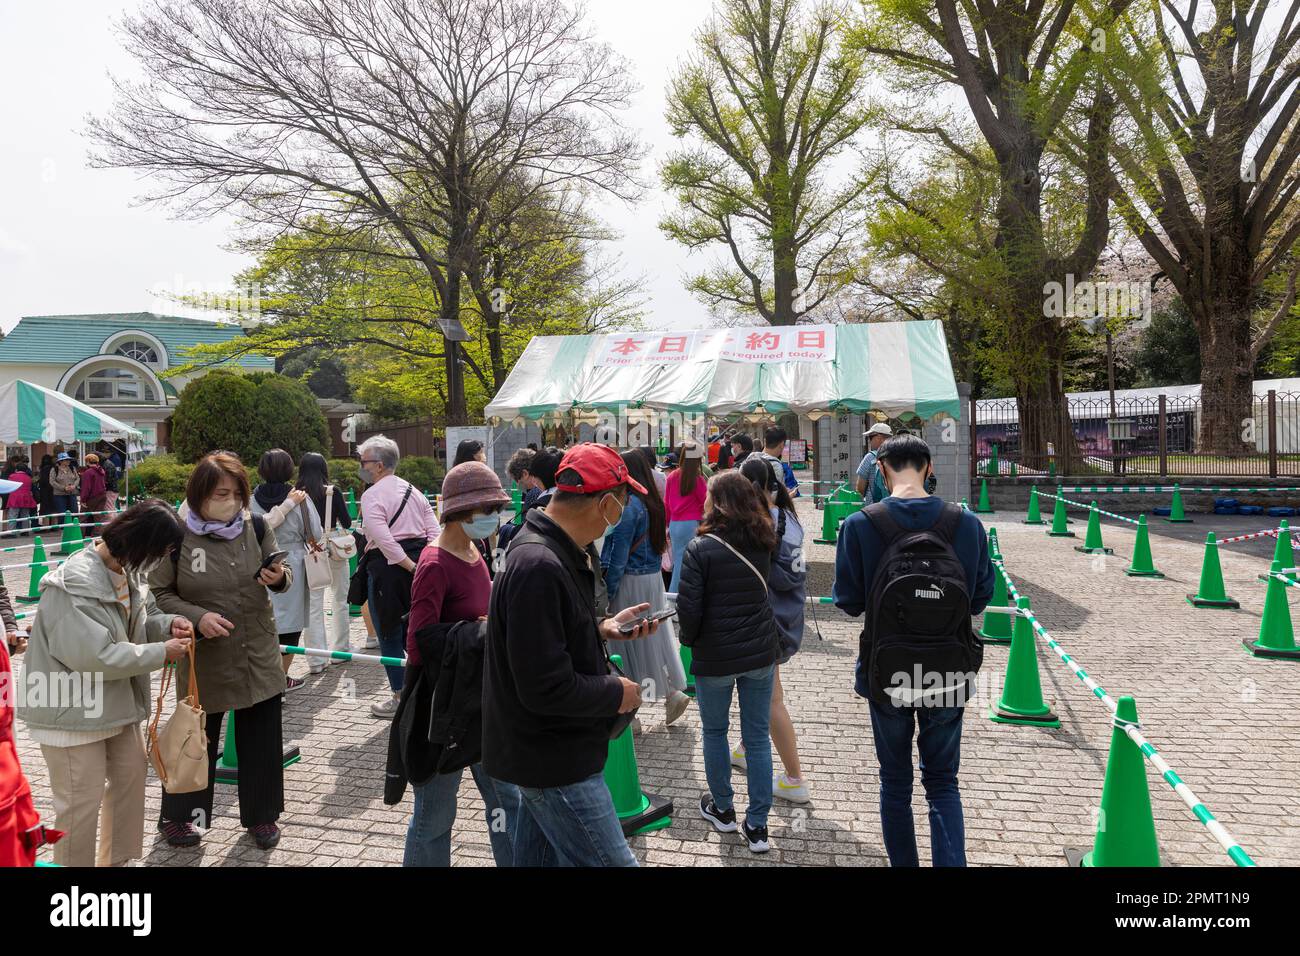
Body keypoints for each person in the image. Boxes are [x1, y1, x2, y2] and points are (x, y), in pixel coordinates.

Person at [482, 443, 661, 867]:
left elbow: (538, 636)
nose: (623, 514)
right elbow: (545, 687)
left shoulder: (551, 548)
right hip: (554, 757)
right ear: (605, 503)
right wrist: (617, 692)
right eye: (624, 502)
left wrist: (602, 626)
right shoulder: (539, 565)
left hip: (544, 752)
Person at [833, 433, 995, 867]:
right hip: (949, 669)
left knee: (895, 782)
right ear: (928, 468)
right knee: (943, 782)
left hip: (887, 670)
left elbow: (847, 603)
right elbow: (979, 599)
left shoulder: (860, 524)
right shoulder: (967, 523)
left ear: (882, 469)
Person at [17, 501, 195, 866]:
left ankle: (118, 861)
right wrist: (162, 651)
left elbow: (135, 625)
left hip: (115, 704)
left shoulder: (124, 571)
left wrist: (167, 625)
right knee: (81, 802)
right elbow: (96, 656)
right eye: (163, 551)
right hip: (69, 712)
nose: (164, 559)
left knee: (130, 779)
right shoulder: (73, 584)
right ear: (141, 544)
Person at [149, 451, 293, 850]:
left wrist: (279, 577)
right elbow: (159, 592)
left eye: (233, 493)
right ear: (198, 495)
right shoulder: (177, 537)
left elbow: (284, 572)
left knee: (261, 738)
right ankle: (178, 818)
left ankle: (262, 818)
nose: (226, 500)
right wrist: (197, 617)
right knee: (196, 737)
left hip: (257, 650)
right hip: (205, 657)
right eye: (217, 493)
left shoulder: (257, 526)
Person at [397, 461, 517, 866]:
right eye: (489, 511)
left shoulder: (475, 548)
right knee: (435, 817)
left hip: (483, 701)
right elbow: (420, 641)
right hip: (443, 710)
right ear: (461, 512)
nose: (494, 518)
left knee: (507, 803)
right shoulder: (433, 564)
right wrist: (478, 632)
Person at [676, 470, 781, 853]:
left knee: (715, 732)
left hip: (715, 656)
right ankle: (758, 826)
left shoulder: (700, 548)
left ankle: (722, 809)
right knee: (756, 737)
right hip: (759, 652)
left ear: (717, 501)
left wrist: (691, 643)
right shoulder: (764, 539)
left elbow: (689, 610)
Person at [736, 457, 810, 803]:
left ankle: (795, 778)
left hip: (765, 624)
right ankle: (745, 748)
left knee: (772, 701)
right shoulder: (790, 518)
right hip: (788, 618)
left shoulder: (758, 525)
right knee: (759, 695)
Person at [602, 450, 690, 727]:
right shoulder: (654, 503)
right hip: (652, 579)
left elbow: (619, 556)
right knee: (654, 638)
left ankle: (630, 712)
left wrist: (609, 590)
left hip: (630, 580)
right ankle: (672, 692)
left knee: (626, 643)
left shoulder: (628, 507)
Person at [356, 435, 441, 717]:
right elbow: (434, 530)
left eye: (363, 462)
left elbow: (382, 539)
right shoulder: (413, 491)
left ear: (378, 465)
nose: (361, 467)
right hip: (420, 563)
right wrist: (424, 565)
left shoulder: (371, 495)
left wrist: (409, 565)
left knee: (390, 634)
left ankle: (400, 698)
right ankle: (427, 692)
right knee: (418, 630)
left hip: (388, 572)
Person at [251, 449, 324, 687]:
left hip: (258, 561)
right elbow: (315, 533)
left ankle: (264, 676)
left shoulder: (251, 499)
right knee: (290, 624)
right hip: (291, 561)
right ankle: (280, 678)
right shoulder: (300, 498)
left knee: (262, 619)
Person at [295, 452, 354, 667]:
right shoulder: (332, 492)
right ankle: (341, 650)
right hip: (334, 550)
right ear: (324, 469)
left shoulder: (296, 495)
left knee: (314, 605)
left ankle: (316, 659)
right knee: (340, 599)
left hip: (310, 552)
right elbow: (347, 522)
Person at [664, 440, 707, 594]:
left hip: (675, 524)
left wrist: (668, 525)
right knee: (689, 563)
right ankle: (674, 597)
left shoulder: (671, 476)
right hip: (692, 525)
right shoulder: (698, 479)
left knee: (679, 562)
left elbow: (666, 504)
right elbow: (705, 502)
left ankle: (675, 596)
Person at [759, 426, 801, 496]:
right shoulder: (777, 466)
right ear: (782, 445)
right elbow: (775, 498)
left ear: (764, 441)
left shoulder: (750, 459)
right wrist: (789, 495)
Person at [855, 423, 893, 501]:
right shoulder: (899, 456)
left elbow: (860, 488)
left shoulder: (870, 457)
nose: (869, 441)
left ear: (879, 437)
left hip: (874, 508)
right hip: (894, 506)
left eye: (870, 437)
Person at [3, 459, 38, 535]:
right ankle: (25, 531)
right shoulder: (28, 478)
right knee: (25, 515)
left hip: (15, 498)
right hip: (26, 498)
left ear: (16, 469)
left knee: (13, 515)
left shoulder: (12, 476)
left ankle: (12, 532)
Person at [78, 454, 109, 535]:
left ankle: (80, 536)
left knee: (82, 517)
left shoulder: (88, 472)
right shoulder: (101, 471)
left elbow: (86, 488)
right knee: (98, 518)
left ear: (88, 462)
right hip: (102, 495)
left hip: (92, 497)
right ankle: (96, 536)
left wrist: (83, 500)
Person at [50, 452, 79, 520]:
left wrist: (74, 485)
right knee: (62, 513)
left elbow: (77, 478)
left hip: (72, 493)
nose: (68, 461)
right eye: (66, 460)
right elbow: (52, 482)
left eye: (68, 459)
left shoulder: (72, 468)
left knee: (74, 511)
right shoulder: (54, 469)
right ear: (61, 461)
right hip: (59, 495)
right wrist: (63, 488)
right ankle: (63, 528)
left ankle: (73, 527)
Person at [37, 453, 56, 529]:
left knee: (45, 509)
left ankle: (46, 526)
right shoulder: (53, 468)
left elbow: (43, 481)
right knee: (53, 508)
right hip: (53, 490)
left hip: (44, 492)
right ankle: (54, 526)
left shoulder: (43, 469)